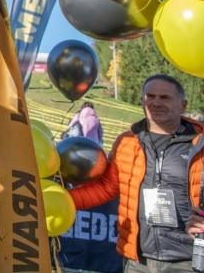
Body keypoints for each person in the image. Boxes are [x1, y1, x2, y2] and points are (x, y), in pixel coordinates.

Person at [70, 75, 204, 272]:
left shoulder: (200, 144)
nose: (156, 102)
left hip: (189, 262)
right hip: (138, 261)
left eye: (165, 97)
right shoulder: (126, 142)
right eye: (150, 96)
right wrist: (58, 199)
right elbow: (106, 187)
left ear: (182, 105)